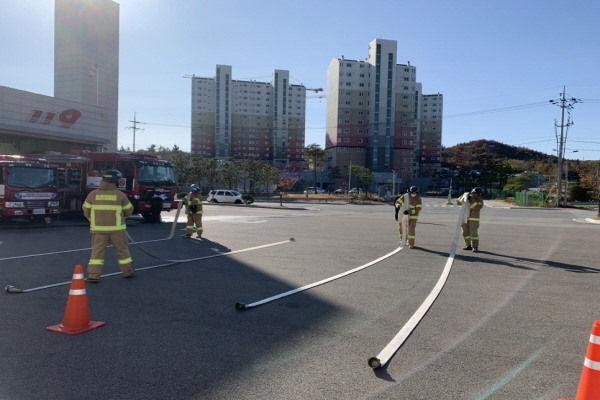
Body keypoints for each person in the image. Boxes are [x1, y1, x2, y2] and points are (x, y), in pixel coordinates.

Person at [82, 170, 134, 282]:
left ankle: (93, 275)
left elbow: (86, 210)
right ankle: (127, 272)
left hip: (98, 230)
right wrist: (121, 218)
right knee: (122, 252)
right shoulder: (120, 195)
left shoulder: (93, 194)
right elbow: (129, 210)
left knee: (97, 253)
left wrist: (93, 220)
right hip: (117, 230)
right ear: (115, 181)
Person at [456, 187, 484, 252]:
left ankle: (475, 247)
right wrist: (463, 196)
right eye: (477, 194)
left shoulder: (480, 200)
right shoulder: (467, 198)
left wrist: (471, 200)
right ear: (473, 193)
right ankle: (468, 245)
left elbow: (477, 207)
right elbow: (458, 202)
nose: (478, 195)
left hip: (474, 220)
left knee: (473, 234)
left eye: (479, 194)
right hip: (465, 219)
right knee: (465, 233)